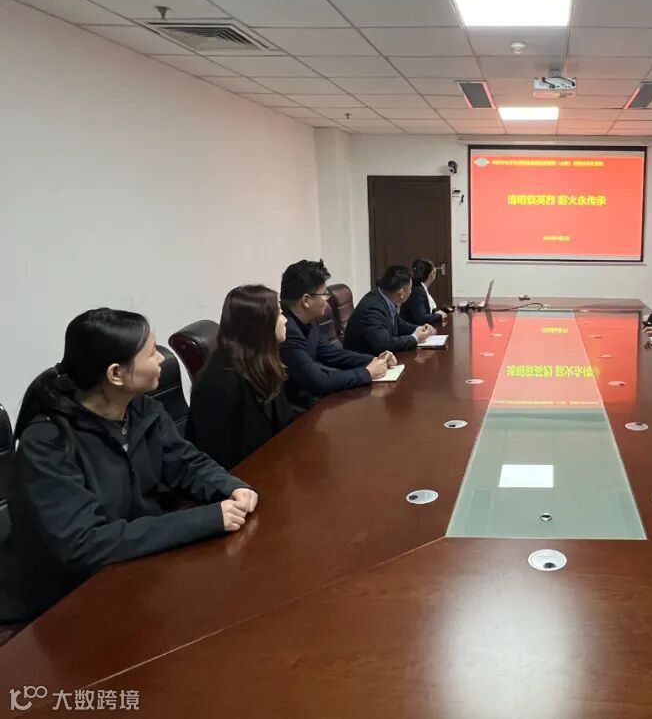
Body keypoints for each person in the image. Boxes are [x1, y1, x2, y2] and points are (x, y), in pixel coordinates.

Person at [0, 309, 257, 625]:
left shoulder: (142, 409)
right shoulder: (47, 442)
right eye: (150, 353)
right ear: (116, 374)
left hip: (134, 568)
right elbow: (85, 543)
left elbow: (185, 462)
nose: (161, 358)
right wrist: (207, 519)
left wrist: (230, 486)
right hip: (67, 601)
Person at [187, 285, 295, 470]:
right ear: (261, 325)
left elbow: (283, 425)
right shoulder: (218, 384)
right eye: (279, 314)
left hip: (273, 464)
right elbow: (219, 460)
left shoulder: (264, 363)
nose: (285, 320)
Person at [279, 259, 393, 411]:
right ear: (306, 300)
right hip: (297, 413)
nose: (327, 300)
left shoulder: (306, 320)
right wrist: (367, 373)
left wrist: (373, 360)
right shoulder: (288, 331)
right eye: (324, 294)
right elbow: (317, 381)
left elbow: (329, 353)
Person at [345, 265, 437, 355]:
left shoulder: (384, 297)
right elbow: (384, 344)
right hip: (365, 360)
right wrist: (415, 338)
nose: (411, 292)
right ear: (401, 293)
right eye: (410, 289)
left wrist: (418, 328)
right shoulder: (372, 308)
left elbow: (398, 324)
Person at [403, 258, 450, 327]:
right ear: (431, 274)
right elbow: (422, 318)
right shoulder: (417, 291)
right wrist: (439, 316)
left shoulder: (420, 287)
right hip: (415, 329)